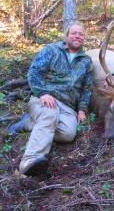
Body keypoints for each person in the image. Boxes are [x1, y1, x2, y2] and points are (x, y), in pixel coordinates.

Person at [8, 21, 93, 176]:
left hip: (67, 107)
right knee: (49, 114)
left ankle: (29, 123)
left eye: (81, 34)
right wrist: (42, 93)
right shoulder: (52, 50)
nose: (77, 36)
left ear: (84, 38)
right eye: (74, 33)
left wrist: (81, 110)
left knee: (68, 134)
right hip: (45, 99)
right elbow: (34, 72)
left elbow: (87, 89)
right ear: (67, 35)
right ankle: (29, 161)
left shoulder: (86, 61)